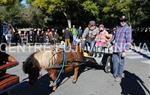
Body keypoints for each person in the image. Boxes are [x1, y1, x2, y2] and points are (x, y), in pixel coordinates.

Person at [112, 16, 132, 82]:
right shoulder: (118, 28)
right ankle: (115, 74)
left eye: (124, 21)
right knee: (114, 62)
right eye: (121, 21)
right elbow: (114, 38)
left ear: (126, 21)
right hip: (115, 48)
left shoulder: (127, 28)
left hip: (122, 49)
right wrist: (109, 42)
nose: (122, 22)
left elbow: (129, 41)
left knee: (120, 63)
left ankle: (119, 76)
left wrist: (125, 51)